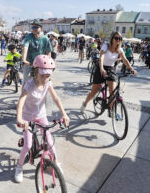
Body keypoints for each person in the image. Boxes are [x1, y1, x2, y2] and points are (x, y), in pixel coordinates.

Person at [15, 54, 70, 183]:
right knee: (28, 145)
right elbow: (21, 101)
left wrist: (64, 113)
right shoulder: (29, 84)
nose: (45, 79)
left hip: (41, 115)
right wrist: (19, 118)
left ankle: (56, 162)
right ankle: (19, 166)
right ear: (35, 72)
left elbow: (56, 98)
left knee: (50, 142)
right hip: (27, 117)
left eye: (48, 75)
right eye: (42, 75)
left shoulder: (48, 83)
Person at [80, 32, 137, 116]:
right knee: (94, 91)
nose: (118, 40)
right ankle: (85, 103)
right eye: (116, 38)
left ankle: (110, 110)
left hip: (110, 68)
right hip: (101, 67)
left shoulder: (119, 49)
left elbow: (125, 60)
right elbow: (102, 57)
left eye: (120, 39)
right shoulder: (105, 46)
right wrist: (102, 68)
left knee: (113, 93)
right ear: (112, 38)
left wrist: (131, 69)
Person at [21, 19, 52, 87]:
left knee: (42, 81)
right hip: (29, 62)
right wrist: (24, 59)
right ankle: (22, 96)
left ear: (41, 28)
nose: (34, 29)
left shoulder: (45, 38)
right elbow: (25, 47)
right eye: (32, 27)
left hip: (40, 63)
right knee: (26, 81)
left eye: (36, 27)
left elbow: (48, 51)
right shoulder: (29, 37)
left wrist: (48, 63)